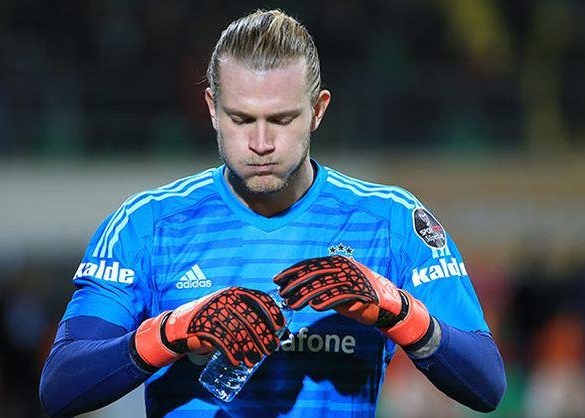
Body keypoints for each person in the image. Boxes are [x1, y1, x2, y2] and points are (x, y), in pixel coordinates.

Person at [39, 9, 506, 417]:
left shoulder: (391, 222)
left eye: (282, 119)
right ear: (212, 108)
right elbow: (60, 387)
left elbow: (487, 385)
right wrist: (172, 332)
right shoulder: (146, 225)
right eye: (241, 119)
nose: (261, 143)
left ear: (318, 110)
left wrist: (398, 310)